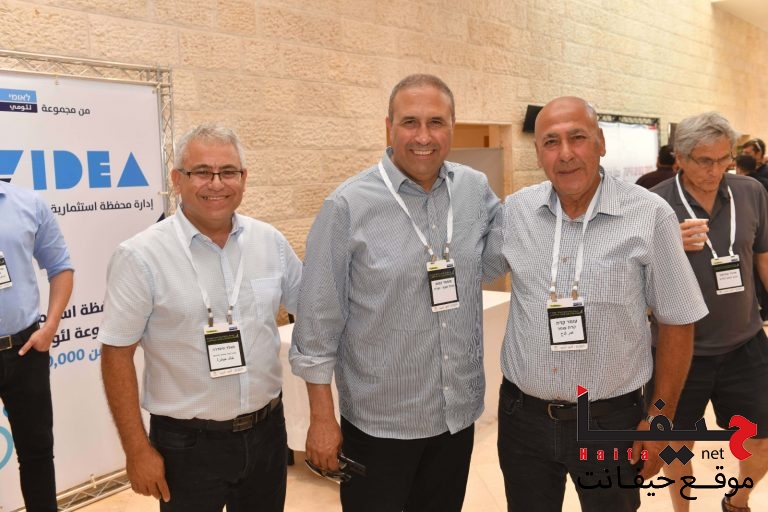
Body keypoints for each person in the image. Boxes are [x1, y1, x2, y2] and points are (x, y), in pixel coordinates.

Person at [482, 96, 708, 512]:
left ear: (601, 143)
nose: (565, 153)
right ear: (538, 153)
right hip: (523, 420)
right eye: (551, 142)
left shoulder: (649, 215)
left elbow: (678, 321)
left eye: (578, 138)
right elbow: (472, 269)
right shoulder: (516, 213)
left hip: (612, 422)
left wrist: (659, 418)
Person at [289, 74, 500, 512]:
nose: (423, 136)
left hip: (455, 416)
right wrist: (322, 419)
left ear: (452, 127)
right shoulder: (346, 206)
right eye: (410, 122)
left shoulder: (474, 190)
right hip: (379, 426)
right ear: (389, 127)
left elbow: (506, 249)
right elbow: (316, 325)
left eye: (436, 122)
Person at [98, 124, 302, 512]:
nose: (216, 184)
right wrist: (136, 449)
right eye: (202, 172)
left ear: (243, 178)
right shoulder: (140, 256)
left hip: (266, 434)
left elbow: (313, 309)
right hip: (185, 446)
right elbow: (116, 356)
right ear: (177, 179)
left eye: (228, 172)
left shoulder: (270, 242)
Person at [649, 112, 768, 512]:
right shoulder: (653, 203)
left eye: (724, 159)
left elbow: (764, 258)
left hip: (745, 343)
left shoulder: (751, 192)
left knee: (762, 442)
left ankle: (737, 500)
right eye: (705, 161)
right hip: (678, 350)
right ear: (680, 158)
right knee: (677, 446)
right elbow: (630, 276)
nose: (716, 171)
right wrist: (666, 245)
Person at [0, 180, 74, 512]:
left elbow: (61, 267)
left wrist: (51, 326)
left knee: (37, 453)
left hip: (26, 350)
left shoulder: (28, 203)